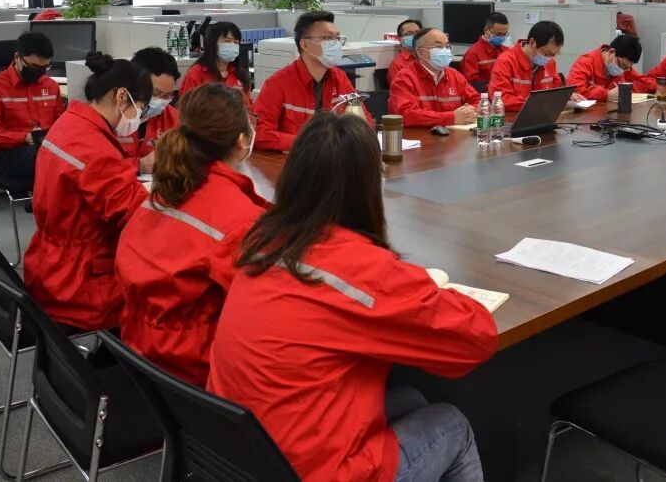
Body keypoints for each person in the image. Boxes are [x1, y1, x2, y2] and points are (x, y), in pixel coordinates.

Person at [208, 114, 497, 482]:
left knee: (411, 401)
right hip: (307, 471)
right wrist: (422, 288)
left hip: (243, 455)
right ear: (367, 186)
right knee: (451, 425)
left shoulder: (262, 244)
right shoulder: (359, 270)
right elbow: (475, 339)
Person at [116, 83, 265, 386]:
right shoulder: (238, 219)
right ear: (241, 140)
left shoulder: (165, 190)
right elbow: (263, 309)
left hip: (140, 349)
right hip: (194, 367)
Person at [24, 52, 151, 332]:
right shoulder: (95, 150)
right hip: (83, 284)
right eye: (140, 109)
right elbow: (138, 216)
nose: (138, 119)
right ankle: (117, 356)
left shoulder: (70, 124)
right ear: (122, 97)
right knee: (169, 299)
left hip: (49, 266)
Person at [253, 11, 372, 151]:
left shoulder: (340, 78)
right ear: (305, 45)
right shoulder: (278, 83)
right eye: (328, 38)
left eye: (337, 38)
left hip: (336, 158)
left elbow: (365, 121)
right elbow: (260, 134)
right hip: (295, 160)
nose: (335, 44)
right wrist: (310, 144)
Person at [0, 31, 66, 180]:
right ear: (17, 57)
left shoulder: (50, 86)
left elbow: (62, 124)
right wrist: (24, 138)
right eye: (33, 66)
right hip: (10, 152)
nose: (39, 73)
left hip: (48, 146)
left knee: (78, 153)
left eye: (44, 68)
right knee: (53, 159)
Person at [389, 28, 479, 127]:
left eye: (447, 46)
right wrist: (451, 117)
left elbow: (478, 101)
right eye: (438, 46)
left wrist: (469, 112)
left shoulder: (454, 75)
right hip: (420, 135)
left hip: (453, 134)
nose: (444, 51)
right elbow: (406, 115)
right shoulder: (404, 78)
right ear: (420, 52)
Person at [122, 46, 180, 174]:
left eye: (167, 96)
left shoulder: (172, 118)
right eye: (155, 93)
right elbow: (98, 166)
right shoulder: (112, 116)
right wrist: (138, 165)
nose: (160, 101)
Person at [487, 20, 563, 112]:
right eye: (547, 53)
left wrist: (567, 97)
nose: (549, 58)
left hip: (542, 115)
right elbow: (502, 100)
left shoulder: (550, 63)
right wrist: (537, 103)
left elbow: (557, 91)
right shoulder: (505, 62)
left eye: (554, 54)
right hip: (513, 117)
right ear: (532, 43)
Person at [179, 21, 252, 107]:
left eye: (236, 42)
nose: (232, 46)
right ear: (213, 43)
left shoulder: (241, 75)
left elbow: (249, 108)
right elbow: (187, 108)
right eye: (227, 41)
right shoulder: (197, 73)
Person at [566, 35, 649, 102]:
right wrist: (607, 95)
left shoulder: (622, 66)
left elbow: (643, 82)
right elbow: (574, 92)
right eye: (623, 66)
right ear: (611, 52)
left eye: (628, 68)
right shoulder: (585, 62)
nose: (622, 71)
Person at [460, 11, 510, 86]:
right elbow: (470, 85)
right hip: (483, 93)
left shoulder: (507, 51)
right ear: (486, 30)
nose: (501, 37)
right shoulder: (472, 54)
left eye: (504, 34)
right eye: (498, 34)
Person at [387, 18, 423, 86]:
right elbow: (399, 90)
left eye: (417, 33)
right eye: (409, 33)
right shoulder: (397, 65)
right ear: (400, 39)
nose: (415, 36)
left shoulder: (427, 57)